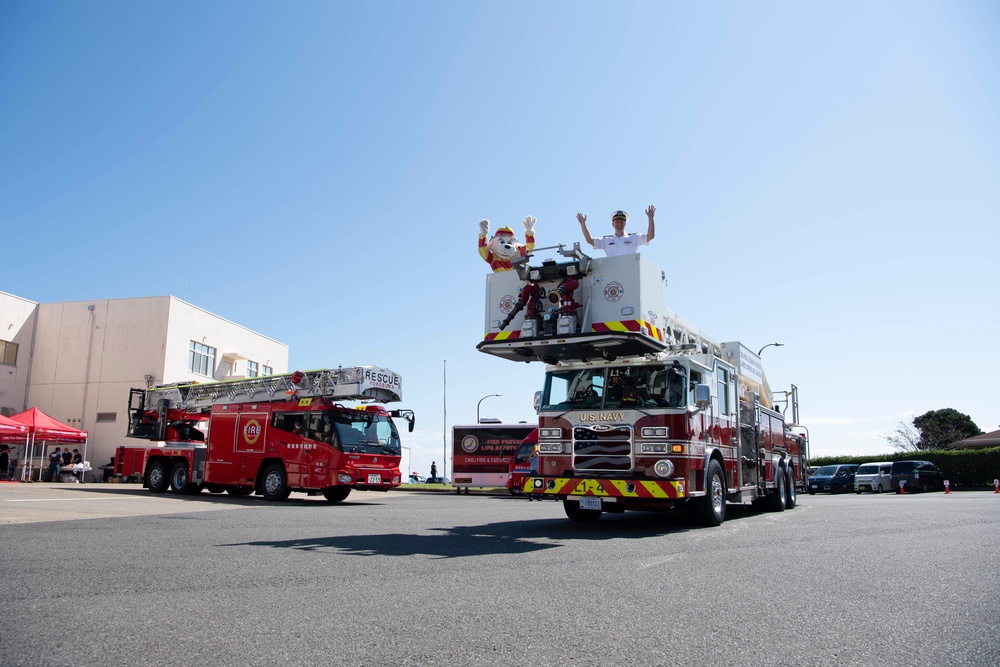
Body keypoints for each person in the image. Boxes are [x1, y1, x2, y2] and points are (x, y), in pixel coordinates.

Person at [577, 205, 655, 256]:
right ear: (613, 224)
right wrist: (583, 224)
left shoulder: (633, 238)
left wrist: (650, 218)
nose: (619, 224)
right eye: (617, 222)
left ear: (625, 224)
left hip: (630, 272)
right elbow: (589, 240)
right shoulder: (606, 240)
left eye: (621, 222)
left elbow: (650, 236)